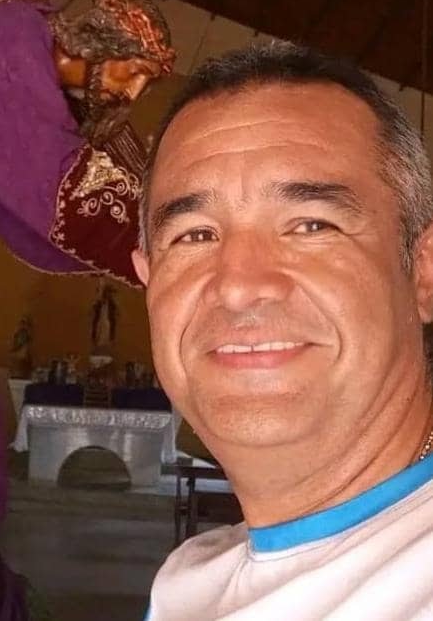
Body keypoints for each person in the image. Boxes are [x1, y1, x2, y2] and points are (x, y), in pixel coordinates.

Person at [132, 41, 433, 620]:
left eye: (311, 225)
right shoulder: (186, 581)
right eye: (195, 235)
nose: (239, 286)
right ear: (147, 279)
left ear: (422, 271)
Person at [0, 0, 173, 620]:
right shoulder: (5, 69)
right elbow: (69, 203)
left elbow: (21, 214)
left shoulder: (15, 38)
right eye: (133, 72)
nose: (132, 92)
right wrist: (187, 240)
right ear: (94, 46)